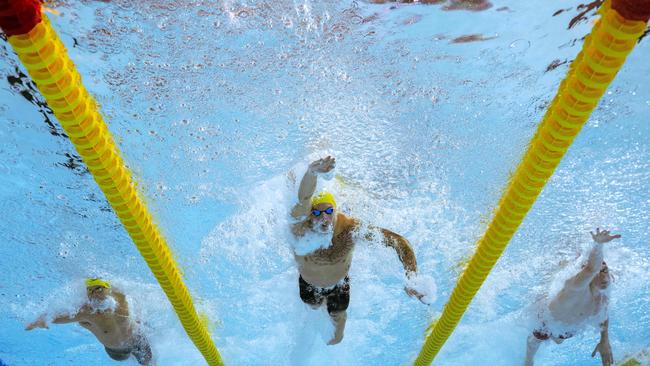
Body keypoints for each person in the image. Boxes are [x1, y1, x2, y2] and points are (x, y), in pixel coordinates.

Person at [290, 156, 427, 345]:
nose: (323, 217)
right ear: (309, 214)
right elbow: (303, 198)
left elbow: (398, 241)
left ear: (336, 211)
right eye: (316, 212)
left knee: (335, 339)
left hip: (339, 285)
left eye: (329, 211)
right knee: (313, 310)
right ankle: (316, 315)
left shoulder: (350, 229)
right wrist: (311, 173)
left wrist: (412, 276)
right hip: (308, 284)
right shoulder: (299, 229)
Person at [524, 228, 620, 366]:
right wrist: (598, 245)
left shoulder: (603, 291)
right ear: (592, 277)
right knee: (538, 338)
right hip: (548, 316)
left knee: (559, 339)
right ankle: (527, 361)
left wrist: (604, 340)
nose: (605, 277)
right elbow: (591, 268)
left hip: (569, 323)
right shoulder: (576, 287)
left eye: (605, 271)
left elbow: (603, 314)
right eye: (601, 272)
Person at [26, 278, 152, 365]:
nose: (95, 293)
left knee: (148, 361)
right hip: (116, 349)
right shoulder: (88, 312)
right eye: (91, 291)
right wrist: (43, 320)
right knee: (120, 359)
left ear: (109, 290)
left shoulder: (120, 299)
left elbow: (130, 292)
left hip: (137, 337)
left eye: (99, 289)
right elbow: (61, 316)